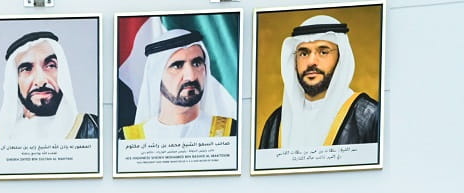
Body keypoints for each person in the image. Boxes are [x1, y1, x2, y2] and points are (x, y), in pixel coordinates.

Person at [257, 15, 380, 149]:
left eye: (323, 52)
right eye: (304, 53)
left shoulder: (370, 116)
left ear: (341, 58)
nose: (311, 62)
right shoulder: (276, 122)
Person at [0, 30, 98, 142]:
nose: (41, 81)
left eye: (50, 65)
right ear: (14, 80)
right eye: (27, 69)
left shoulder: (93, 128)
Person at [121, 31, 237, 140]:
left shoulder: (230, 132)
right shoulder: (128, 139)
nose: (191, 77)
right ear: (156, 76)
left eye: (197, 63)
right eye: (177, 66)